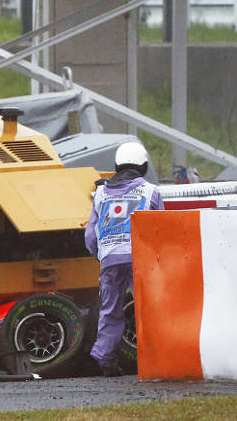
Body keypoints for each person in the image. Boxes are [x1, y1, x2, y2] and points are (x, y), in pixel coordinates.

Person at [84, 141, 164, 377]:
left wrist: (98, 254)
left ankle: (106, 359)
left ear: (117, 166)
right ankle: (155, 359)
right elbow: (160, 229)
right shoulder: (151, 192)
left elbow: (91, 233)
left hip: (109, 259)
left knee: (110, 310)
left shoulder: (100, 194)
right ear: (144, 166)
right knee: (146, 309)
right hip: (139, 258)